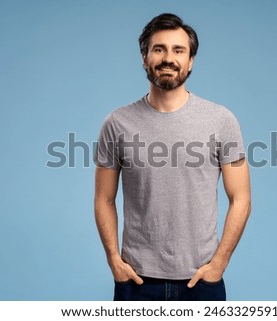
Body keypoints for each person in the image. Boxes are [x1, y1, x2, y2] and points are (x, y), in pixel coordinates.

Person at [94, 13, 251, 301]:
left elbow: (241, 198)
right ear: (144, 58)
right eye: (159, 49)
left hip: (201, 280)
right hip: (136, 281)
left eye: (178, 50)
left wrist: (219, 264)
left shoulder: (221, 120)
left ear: (190, 60)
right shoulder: (117, 124)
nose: (169, 58)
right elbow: (103, 198)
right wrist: (113, 260)